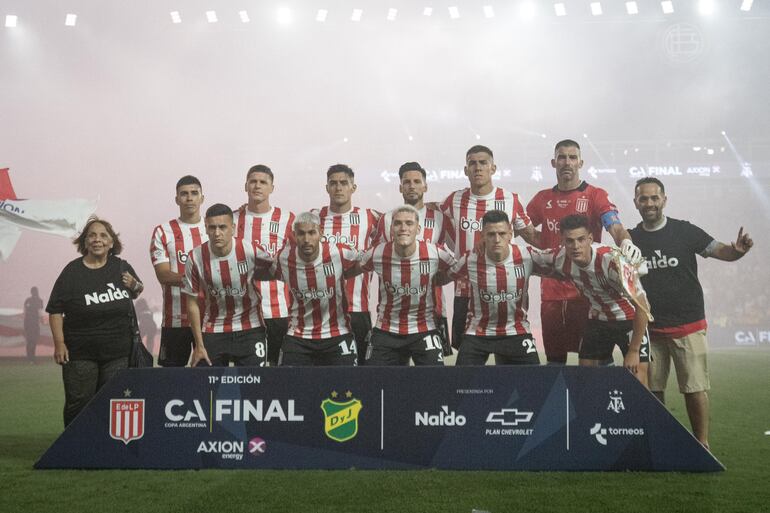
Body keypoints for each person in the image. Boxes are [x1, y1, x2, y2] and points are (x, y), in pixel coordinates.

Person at [629, 177, 753, 449]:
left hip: (688, 325)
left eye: (654, 198)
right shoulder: (632, 239)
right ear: (635, 202)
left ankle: (702, 445)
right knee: (653, 390)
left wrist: (737, 251)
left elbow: (720, 251)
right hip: (650, 328)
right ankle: (660, 443)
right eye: (643, 198)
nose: (649, 203)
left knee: (694, 388)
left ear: (664, 200)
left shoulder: (684, 231)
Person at [527, 139, 643, 364]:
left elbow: (615, 226)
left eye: (572, 157)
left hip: (588, 293)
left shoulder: (595, 195)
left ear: (581, 162)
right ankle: (559, 400)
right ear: (553, 162)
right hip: (551, 294)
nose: (567, 162)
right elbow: (523, 228)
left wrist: (626, 242)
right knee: (554, 359)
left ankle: (598, 399)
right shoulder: (542, 199)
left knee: (594, 360)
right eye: (562, 157)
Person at [438, 145, 539, 350]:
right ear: (466, 170)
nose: (478, 168)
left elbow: (532, 235)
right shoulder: (454, 200)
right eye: (472, 163)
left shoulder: (510, 199)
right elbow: (433, 216)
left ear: (493, 168)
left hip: (505, 290)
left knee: (507, 349)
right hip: (465, 291)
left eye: (483, 162)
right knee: (467, 354)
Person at [46, 217, 144, 426]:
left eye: (103, 235)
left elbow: (137, 291)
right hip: (80, 352)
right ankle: (74, 448)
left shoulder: (121, 267)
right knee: (79, 402)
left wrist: (134, 284)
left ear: (111, 242)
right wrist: (59, 344)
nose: (97, 239)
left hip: (118, 353)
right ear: (85, 242)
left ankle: (105, 449)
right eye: (92, 235)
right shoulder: (72, 272)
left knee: (111, 401)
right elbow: (55, 310)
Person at [542, 214, 650, 386]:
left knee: (637, 379)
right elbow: (529, 258)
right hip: (598, 322)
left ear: (590, 239)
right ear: (562, 241)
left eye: (581, 239)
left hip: (629, 321)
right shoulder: (559, 259)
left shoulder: (613, 261)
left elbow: (643, 307)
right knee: (585, 379)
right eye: (569, 241)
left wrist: (634, 350)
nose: (575, 246)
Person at [444, 211, 547, 366]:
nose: (497, 239)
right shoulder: (470, 259)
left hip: (516, 332)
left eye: (502, 233)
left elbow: (558, 268)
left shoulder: (527, 256)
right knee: (461, 383)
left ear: (510, 234)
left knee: (534, 383)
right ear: (482, 235)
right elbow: (446, 275)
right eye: (491, 234)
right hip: (477, 333)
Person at [373, 161, 455, 353]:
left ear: (425, 186)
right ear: (400, 187)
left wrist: (438, 280)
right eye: (407, 182)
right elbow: (378, 258)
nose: (412, 186)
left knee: (430, 377)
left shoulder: (439, 218)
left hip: (431, 312)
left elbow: (455, 257)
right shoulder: (387, 219)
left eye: (417, 181)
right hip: (392, 315)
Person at [361, 205, 455, 366]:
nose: (403, 228)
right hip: (386, 330)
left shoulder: (434, 253)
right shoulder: (376, 253)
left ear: (418, 229)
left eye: (409, 223)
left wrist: (441, 279)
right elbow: (350, 270)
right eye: (397, 223)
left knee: (437, 381)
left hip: (424, 329)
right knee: (372, 381)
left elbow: (456, 271)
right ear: (391, 229)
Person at [266, 211, 361, 366]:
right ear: (294, 235)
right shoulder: (283, 258)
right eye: (301, 234)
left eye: (312, 233)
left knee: (347, 386)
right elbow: (261, 272)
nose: (306, 239)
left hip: (337, 333)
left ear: (321, 233)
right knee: (287, 386)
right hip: (298, 335)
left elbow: (367, 262)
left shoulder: (339, 252)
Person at [184, 204, 273, 367]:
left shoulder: (249, 250)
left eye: (222, 227)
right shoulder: (195, 258)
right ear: (206, 228)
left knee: (254, 386)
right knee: (208, 388)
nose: (217, 233)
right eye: (212, 228)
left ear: (232, 228)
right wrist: (199, 345)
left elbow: (279, 270)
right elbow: (192, 303)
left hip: (250, 328)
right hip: (214, 329)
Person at [314, 164, 380, 363]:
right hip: (321, 310)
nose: (338, 188)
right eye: (333, 183)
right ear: (327, 188)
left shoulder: (370, 218)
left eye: (344, 183)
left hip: (357, 308)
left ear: (353, 187)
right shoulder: (316, 218)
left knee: (360, 370)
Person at [233, 165, 295, 366]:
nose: (257, 186)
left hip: (279, 310)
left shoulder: (287, 220)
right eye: (253, 181)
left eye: (263, 182)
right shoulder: (233, 220)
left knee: (279, 370)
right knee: (249, 373)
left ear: (272, 188)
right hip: (242, 313)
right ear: (245, 186)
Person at [149, 175, 207, 367]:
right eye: (184, 194)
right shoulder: (163, 231)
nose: (189, 198)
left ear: (202, 198)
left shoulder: (213, 228)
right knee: (171, 379)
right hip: (174, 321)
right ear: (176, 199)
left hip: (208, 320)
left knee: (208, 378)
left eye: (194, 193)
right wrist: (200, 281)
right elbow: (163, 275)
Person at [23, 286, 44, 362]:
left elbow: (25, 313)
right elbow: (40, 313)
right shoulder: (38, 301)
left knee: (31, 341)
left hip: (29, 324)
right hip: (33, 324)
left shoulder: (29, 300)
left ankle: (30, 357)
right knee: (32, 341)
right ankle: (31, 357)